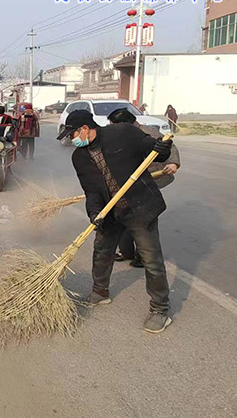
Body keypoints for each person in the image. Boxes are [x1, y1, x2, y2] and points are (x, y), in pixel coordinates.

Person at [57, 109, 174, 333]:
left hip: (139, 207)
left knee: (151, 259)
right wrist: (94, 212)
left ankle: (160, 309)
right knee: (101, 250)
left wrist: (162, 149)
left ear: (84, 129)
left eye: (73, 135)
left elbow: (156, 153)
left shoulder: (122, 133)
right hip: (110, 211)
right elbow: (91, 190)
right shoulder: (79, 157)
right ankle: (100, 292)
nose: (72, 140)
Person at [108, 108, 180, 267]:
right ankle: (126, 251)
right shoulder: (120, 134)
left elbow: (170, 146)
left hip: (148, 181)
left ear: (126, 124)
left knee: (145, 217)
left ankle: (143, 257)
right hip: (128, 181)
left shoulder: (148, 133)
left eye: (114, 125)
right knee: (125, 216)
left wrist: (173, 163)